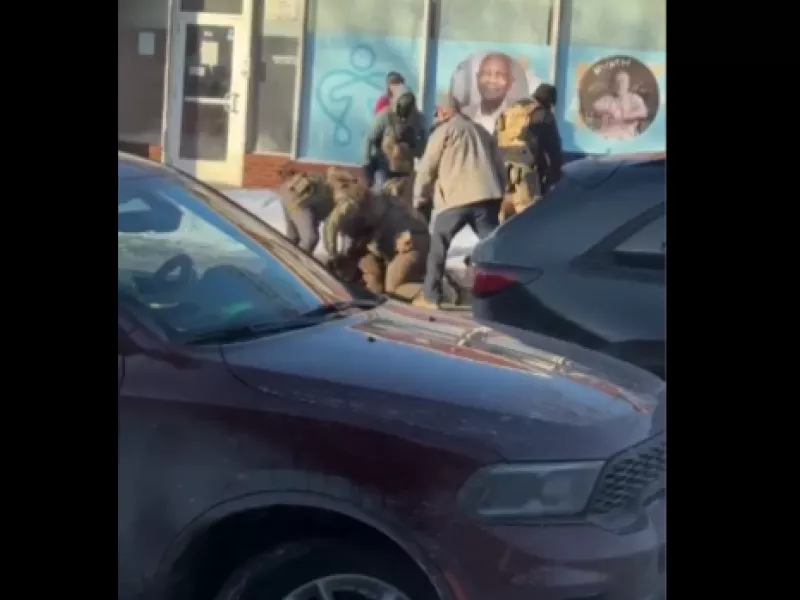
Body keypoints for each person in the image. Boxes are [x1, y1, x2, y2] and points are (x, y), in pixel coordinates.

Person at [412, 97, 505, 309]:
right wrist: (499, 192)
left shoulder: (443, 132)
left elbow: (427, 166)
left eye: (438, 113)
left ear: (444, 112)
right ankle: (504, 297)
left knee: (439, 245)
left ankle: (430, 296)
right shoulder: (481, 131)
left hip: (456, 198)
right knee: (495, 248)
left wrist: (419, 197)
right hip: (486, 197)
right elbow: (499, 165)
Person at [323, 190, 430, 299]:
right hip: (382, 248)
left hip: (410, 241)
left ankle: (433, 295)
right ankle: (373, 300)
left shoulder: (373, 204)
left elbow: (398, 227)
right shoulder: (346, 217)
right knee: (370, 271)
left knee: (393, 288)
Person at [496, 82, 563, 222]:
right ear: (549, 102)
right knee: (529, 221)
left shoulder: (510, 111)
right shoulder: (543, 114)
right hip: (527, 176)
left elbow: (494, 141)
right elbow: (554, 150)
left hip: (502, 174)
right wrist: (555, 178)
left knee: (504, 222)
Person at [362, 84, 427, 190]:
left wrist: (413, 145)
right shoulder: (385, 116)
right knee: (380, 192)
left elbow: (425, 148)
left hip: (404, 171)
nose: (404, 111)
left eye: (408, 107)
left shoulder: (418, 119)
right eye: (402, 107)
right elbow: (369, 139)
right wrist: (367, 166)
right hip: (383, 167)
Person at [276, 170, 334, 254]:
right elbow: (332, 227)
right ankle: (294, 260)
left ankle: (284, 257)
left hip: (295, 192)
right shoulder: (348, 198)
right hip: (300, 196)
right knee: (309, 238)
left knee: (293, 236)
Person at [461, 53, 516, 135]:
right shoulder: (462, 115)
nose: (492, 80)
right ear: (477, 78)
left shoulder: (521, 117)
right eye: (486, 73)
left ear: (511, 82)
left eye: (499, 75)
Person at [592, 70, 648, 140]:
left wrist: (625, 116)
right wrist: (609, 111)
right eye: (617, 82)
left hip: (625, 133)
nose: (620, 85)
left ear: (628, 84)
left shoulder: (634, 98)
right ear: (614, 85)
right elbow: (594, 108)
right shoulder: (607, 98)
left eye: (623, 82)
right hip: (606, 132)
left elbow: (643, 112)